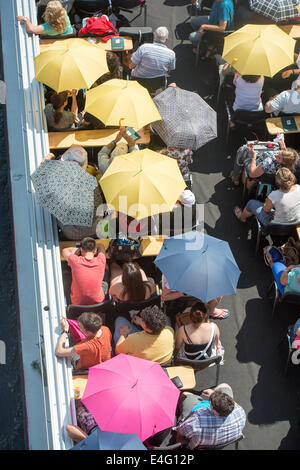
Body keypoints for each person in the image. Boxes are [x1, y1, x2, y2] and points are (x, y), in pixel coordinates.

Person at [176, 383, 246, 449]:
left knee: (185, 394)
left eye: (211, 403)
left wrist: (178, 446)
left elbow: (180, 431)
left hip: (195, 444)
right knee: (225, 385)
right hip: (218, 442)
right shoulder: (241, 412)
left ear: (215, 412)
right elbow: (235, 404)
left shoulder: (197, 421)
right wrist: (214, 394)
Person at [234, 167, 300, 226]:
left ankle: (242, 218)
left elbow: (266, 210)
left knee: (251, 203)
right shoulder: (298, 188)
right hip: (294, 223)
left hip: (275, 226)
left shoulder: (274, 195)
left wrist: (267, 203)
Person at [230, 140, 299, 186]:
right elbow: (283, 153)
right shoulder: (287, 165)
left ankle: (235, 177)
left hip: (254, 168)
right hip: (261, 163)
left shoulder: (268, 162)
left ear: (283, 162)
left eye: (279, 157)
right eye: (279, 153)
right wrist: (282, 142)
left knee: (242, 150)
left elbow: (252, 174)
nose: (276, 155)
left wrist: (254, 156)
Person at [62, 237, 107, 306]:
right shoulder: (101, 260)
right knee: (106, 272)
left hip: (77, 303)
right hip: (98, 303)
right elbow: (101, 246)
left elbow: (64, 250)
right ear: (95, 251)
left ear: (82, 250)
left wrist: (77, 250)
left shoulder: (75, 261)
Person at [162, 275, 230, 319]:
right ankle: (210, 311)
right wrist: (183, 293)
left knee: (218, 292)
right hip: (176, 298)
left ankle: (210, 310)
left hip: (189, 291)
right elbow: (164, 297)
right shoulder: (174, 277)